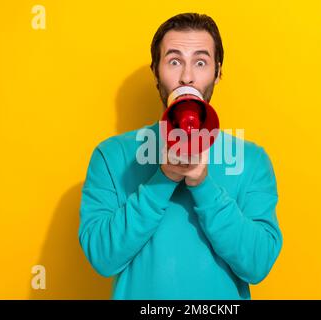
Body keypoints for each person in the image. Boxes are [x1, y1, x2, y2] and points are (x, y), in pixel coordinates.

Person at [78, 12, 283, 300]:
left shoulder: (251, 160)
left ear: (217, 72)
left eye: (201, 62)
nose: (187, 76)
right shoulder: (111, 156)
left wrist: (205, 186)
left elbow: (258, 264)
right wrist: (163, 179)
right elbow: (102, 257)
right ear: (155, 73)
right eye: (174, 61)